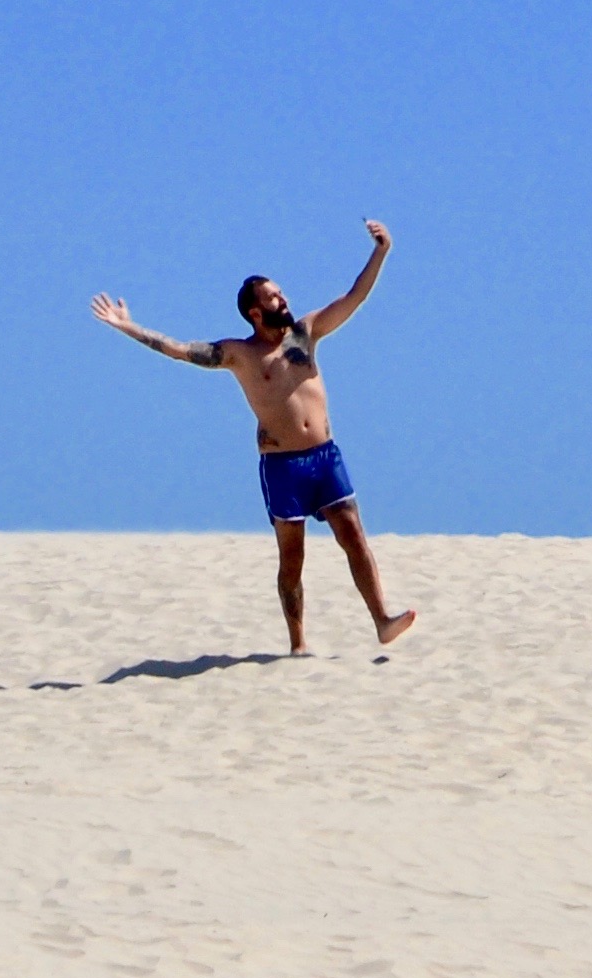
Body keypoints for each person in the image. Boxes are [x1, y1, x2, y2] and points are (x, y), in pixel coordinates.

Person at [91, 219, 416, 654]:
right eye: (274, 297)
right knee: (292, 558)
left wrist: (381, 251)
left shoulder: (305, 333)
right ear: (255, 313)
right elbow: (179, 349)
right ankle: (298, 643)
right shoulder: (239, 354)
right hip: (283, 468)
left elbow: (353, 297)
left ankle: (382, 619)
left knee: (353, 533)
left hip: (325, 457)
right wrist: (128, 327)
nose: (284, 299)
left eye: (281, 293)